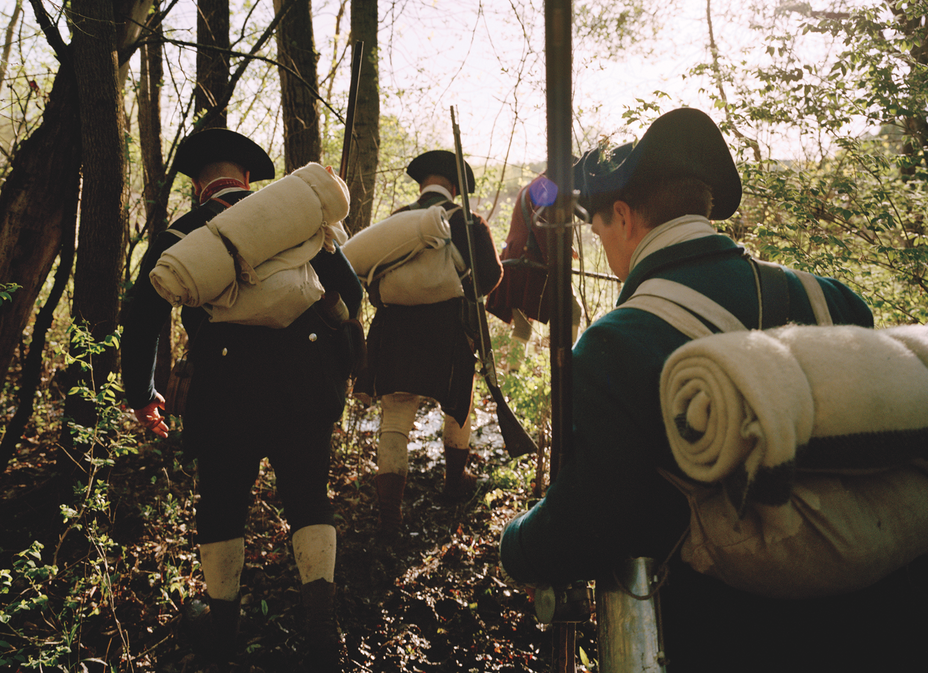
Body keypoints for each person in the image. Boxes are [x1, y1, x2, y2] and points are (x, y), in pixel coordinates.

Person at [498, 108, 928, 671]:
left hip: (733, 638)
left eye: (599, 228)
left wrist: (516, 544)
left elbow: (585, 529)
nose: (602, 243)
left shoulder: (611, 348)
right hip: (887, 626)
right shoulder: (835, 301)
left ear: (623, 216)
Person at [121, 128, 363, 671]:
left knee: (222, 505)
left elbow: (141, 322)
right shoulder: (295, 225)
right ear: (250, 179)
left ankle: (222, 627)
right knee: (308, 497)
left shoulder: (182, 237)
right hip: (304, 382)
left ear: (198, 184)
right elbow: (351, 293)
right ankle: (322, 626)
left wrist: (143, 394)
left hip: (224, 390)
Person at [355, 150, 503, 537]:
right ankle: (453, 486)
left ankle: (390, 517)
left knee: (396, 420)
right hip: (448, 332)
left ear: (422, 184)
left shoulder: (396, 221)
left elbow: (369, 275)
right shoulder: (469, 221)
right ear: (455, 188)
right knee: (458, 409)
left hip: (395, 333)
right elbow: (491, 275)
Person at [486, 151, 628, 370]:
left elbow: (540, 224)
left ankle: (514, 372)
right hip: (529, 264)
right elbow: (542, 226)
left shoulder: (537, 184)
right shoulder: (545, 187)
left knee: (524, 324)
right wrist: (558, 259)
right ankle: (570, 364)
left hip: (521, 262)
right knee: (573, 310)